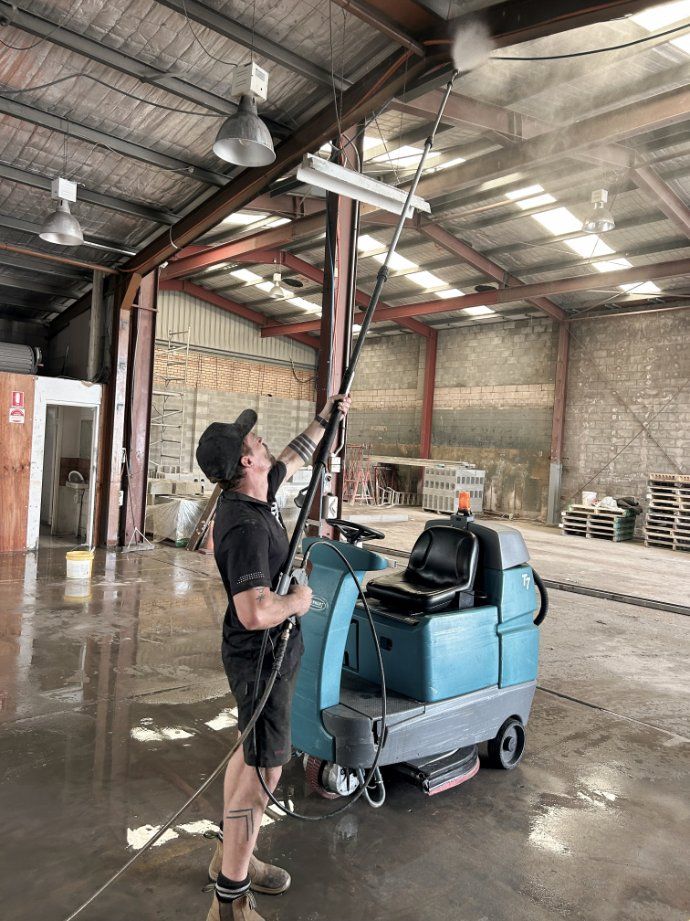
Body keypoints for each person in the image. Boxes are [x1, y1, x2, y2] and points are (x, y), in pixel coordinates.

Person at [195, 394, 352, 921]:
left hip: (267, 656)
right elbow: (254, 611)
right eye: (253, 438)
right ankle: (230, 902)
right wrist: (299, 602)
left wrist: (328, 418)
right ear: (246, 461)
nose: (262, 441)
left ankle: (230, 857)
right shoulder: (242, 524)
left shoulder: (261, 491)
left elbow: (297, 452)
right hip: (260, 657)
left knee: (248, 756)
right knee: (264, 775)